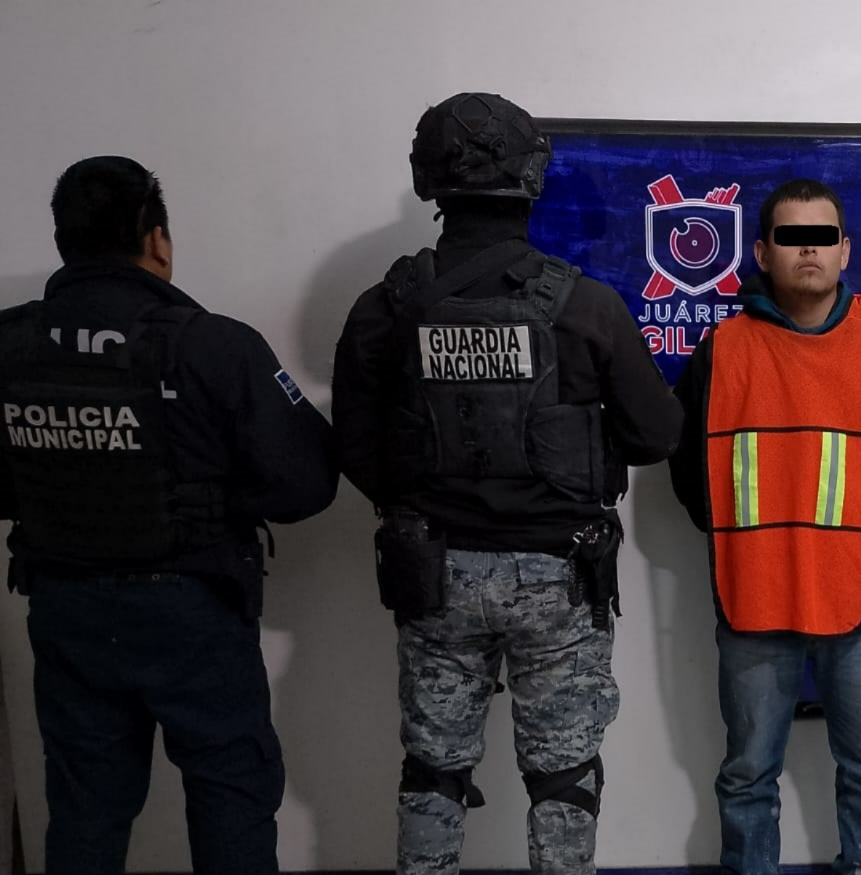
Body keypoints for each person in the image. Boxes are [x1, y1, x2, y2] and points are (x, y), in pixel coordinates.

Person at [332, 92, 682, 875]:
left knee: (433, 771)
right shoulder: (585, 305)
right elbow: (658, 434)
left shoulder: (387, 307)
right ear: (532, 177)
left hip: (433, 571)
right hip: (558, 576)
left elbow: (353, 444)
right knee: (563, 780)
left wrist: (422, 500)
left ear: (428, 179)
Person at [0, 155, 339, 875]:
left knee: (85, 807)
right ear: (156, 239)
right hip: (194, 606)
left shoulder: (9, 343)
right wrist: (214, 497)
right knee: (231, 791)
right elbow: (305, 483)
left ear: (63, 240)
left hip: (64, 605)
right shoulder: (213, 343)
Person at [668, 178, 861, 875]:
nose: (809, 251)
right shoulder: (720, 352)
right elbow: (691, 475)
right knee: (748, 770)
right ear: (763, 252)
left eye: (823, 237)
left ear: (845, 250)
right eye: (792, 237)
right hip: (753, 599)